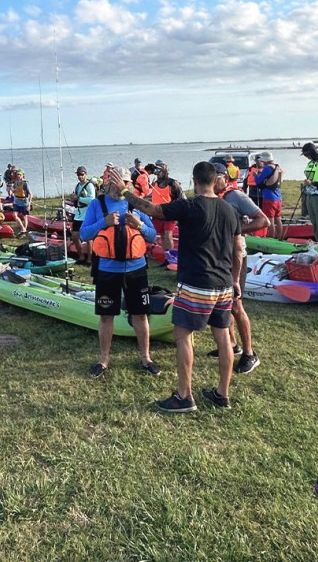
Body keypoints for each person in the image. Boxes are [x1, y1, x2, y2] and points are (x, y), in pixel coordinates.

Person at [123, 161, 241, 412]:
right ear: (215, 181)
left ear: (194, 181)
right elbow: (238, 249)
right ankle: (222, 394)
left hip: (196, 284)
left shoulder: (189, 206)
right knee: (223, 338)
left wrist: (125, 192)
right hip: (223, 285)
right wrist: (234, 279)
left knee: (183, 336)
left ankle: (184, 396)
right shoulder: (230, 210)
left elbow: (153, 209)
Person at [78, 167, 160, 379]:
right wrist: (103, 223)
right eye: (113, 183)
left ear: (128, 185)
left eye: (122, 183)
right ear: (106, 184)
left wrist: (139, 225)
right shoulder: (97, 204)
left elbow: (153, 236)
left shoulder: (136, 204)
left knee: (140, 314)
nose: (117, 187)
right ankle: (103, 359)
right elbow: (84, 233)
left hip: (136, 269)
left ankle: (146, 358)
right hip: (107, 270)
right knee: (106, 316)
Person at [210, 162, 270, 374]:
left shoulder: (235, 196)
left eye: (215, 177)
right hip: (218, 255)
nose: (211, 181)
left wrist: (236, 230)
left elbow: (263, 221)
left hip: (236, 256)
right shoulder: (212, 197)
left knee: (236, 305)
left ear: (224, 178)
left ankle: (249, 354)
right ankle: (232, 345)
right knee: (222, 303)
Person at [150, 160, 183, 252]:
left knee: (168, 235)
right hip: (157, 214)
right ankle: (166, 254)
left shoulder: (173, 183)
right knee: (162, 236)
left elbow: (181, 198)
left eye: (159, 170)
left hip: (169, 213)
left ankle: (171, 256)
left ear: (165, 171)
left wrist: (177, 211)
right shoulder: (155, 183)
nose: (157, 172)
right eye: (156, 170)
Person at [253, 151, 285, 239]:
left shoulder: (267, 168)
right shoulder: (277, 167)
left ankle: (272, 238)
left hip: (269, 197)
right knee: (278, 219)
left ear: (265, 160)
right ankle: (280, 238)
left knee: (270, 219)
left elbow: (258, 181)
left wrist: (255, 176)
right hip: (278, 196)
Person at [71, 165, 96, 264]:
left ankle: (89, 259)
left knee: (89, 238)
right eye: (78, 175)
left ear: (86, 174)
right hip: (78, 214)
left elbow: (92, 199)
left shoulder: (89, 185)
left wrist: (78, 198)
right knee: (75, 236)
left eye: (82, 174)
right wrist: (74, 198)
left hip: (87, 214)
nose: (80, 176)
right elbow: (77, 198)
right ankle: (81, 257)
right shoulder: (78, 186)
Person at [12, 169, 33, 236]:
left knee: (24, 217)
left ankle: (24, 231)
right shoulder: (16, 182)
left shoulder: (25, 183)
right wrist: (14, 190)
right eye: (17, 174)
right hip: (17, 201)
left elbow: (31, 194)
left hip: (24, 202)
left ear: (22, 175)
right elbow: (13, 190)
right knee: (14, 215)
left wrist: (29, 204)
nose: (18, 176)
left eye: (19, 174)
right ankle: (23, 229)